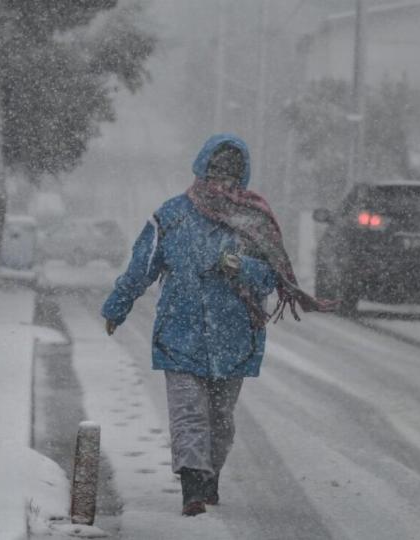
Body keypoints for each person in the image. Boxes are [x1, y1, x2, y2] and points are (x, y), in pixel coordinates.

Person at [101, 133, 333, 516]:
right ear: (201, 170)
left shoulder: (254, 222)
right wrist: (118, 306)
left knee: (220, 421)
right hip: (180, 334)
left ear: (242, 177)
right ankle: (192, 484)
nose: (221, 181)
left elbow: (270, 278)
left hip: (234, 337)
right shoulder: (171, 216)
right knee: (188, 413)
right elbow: (142, 266)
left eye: (231, 174)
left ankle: (209, 476)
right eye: (215, 172)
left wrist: (242, 266)